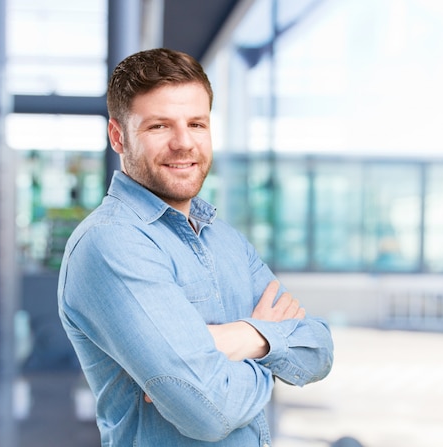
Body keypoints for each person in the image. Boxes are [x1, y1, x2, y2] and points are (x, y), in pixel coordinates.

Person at [57, 48, 334, 446]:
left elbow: (319, 349)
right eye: (159, 126)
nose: (183, 143)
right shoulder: (110, 243)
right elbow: (208, 411)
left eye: (197, 124)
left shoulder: (225, 239)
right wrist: (271, 349)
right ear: (119, 137)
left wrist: (237, 339)